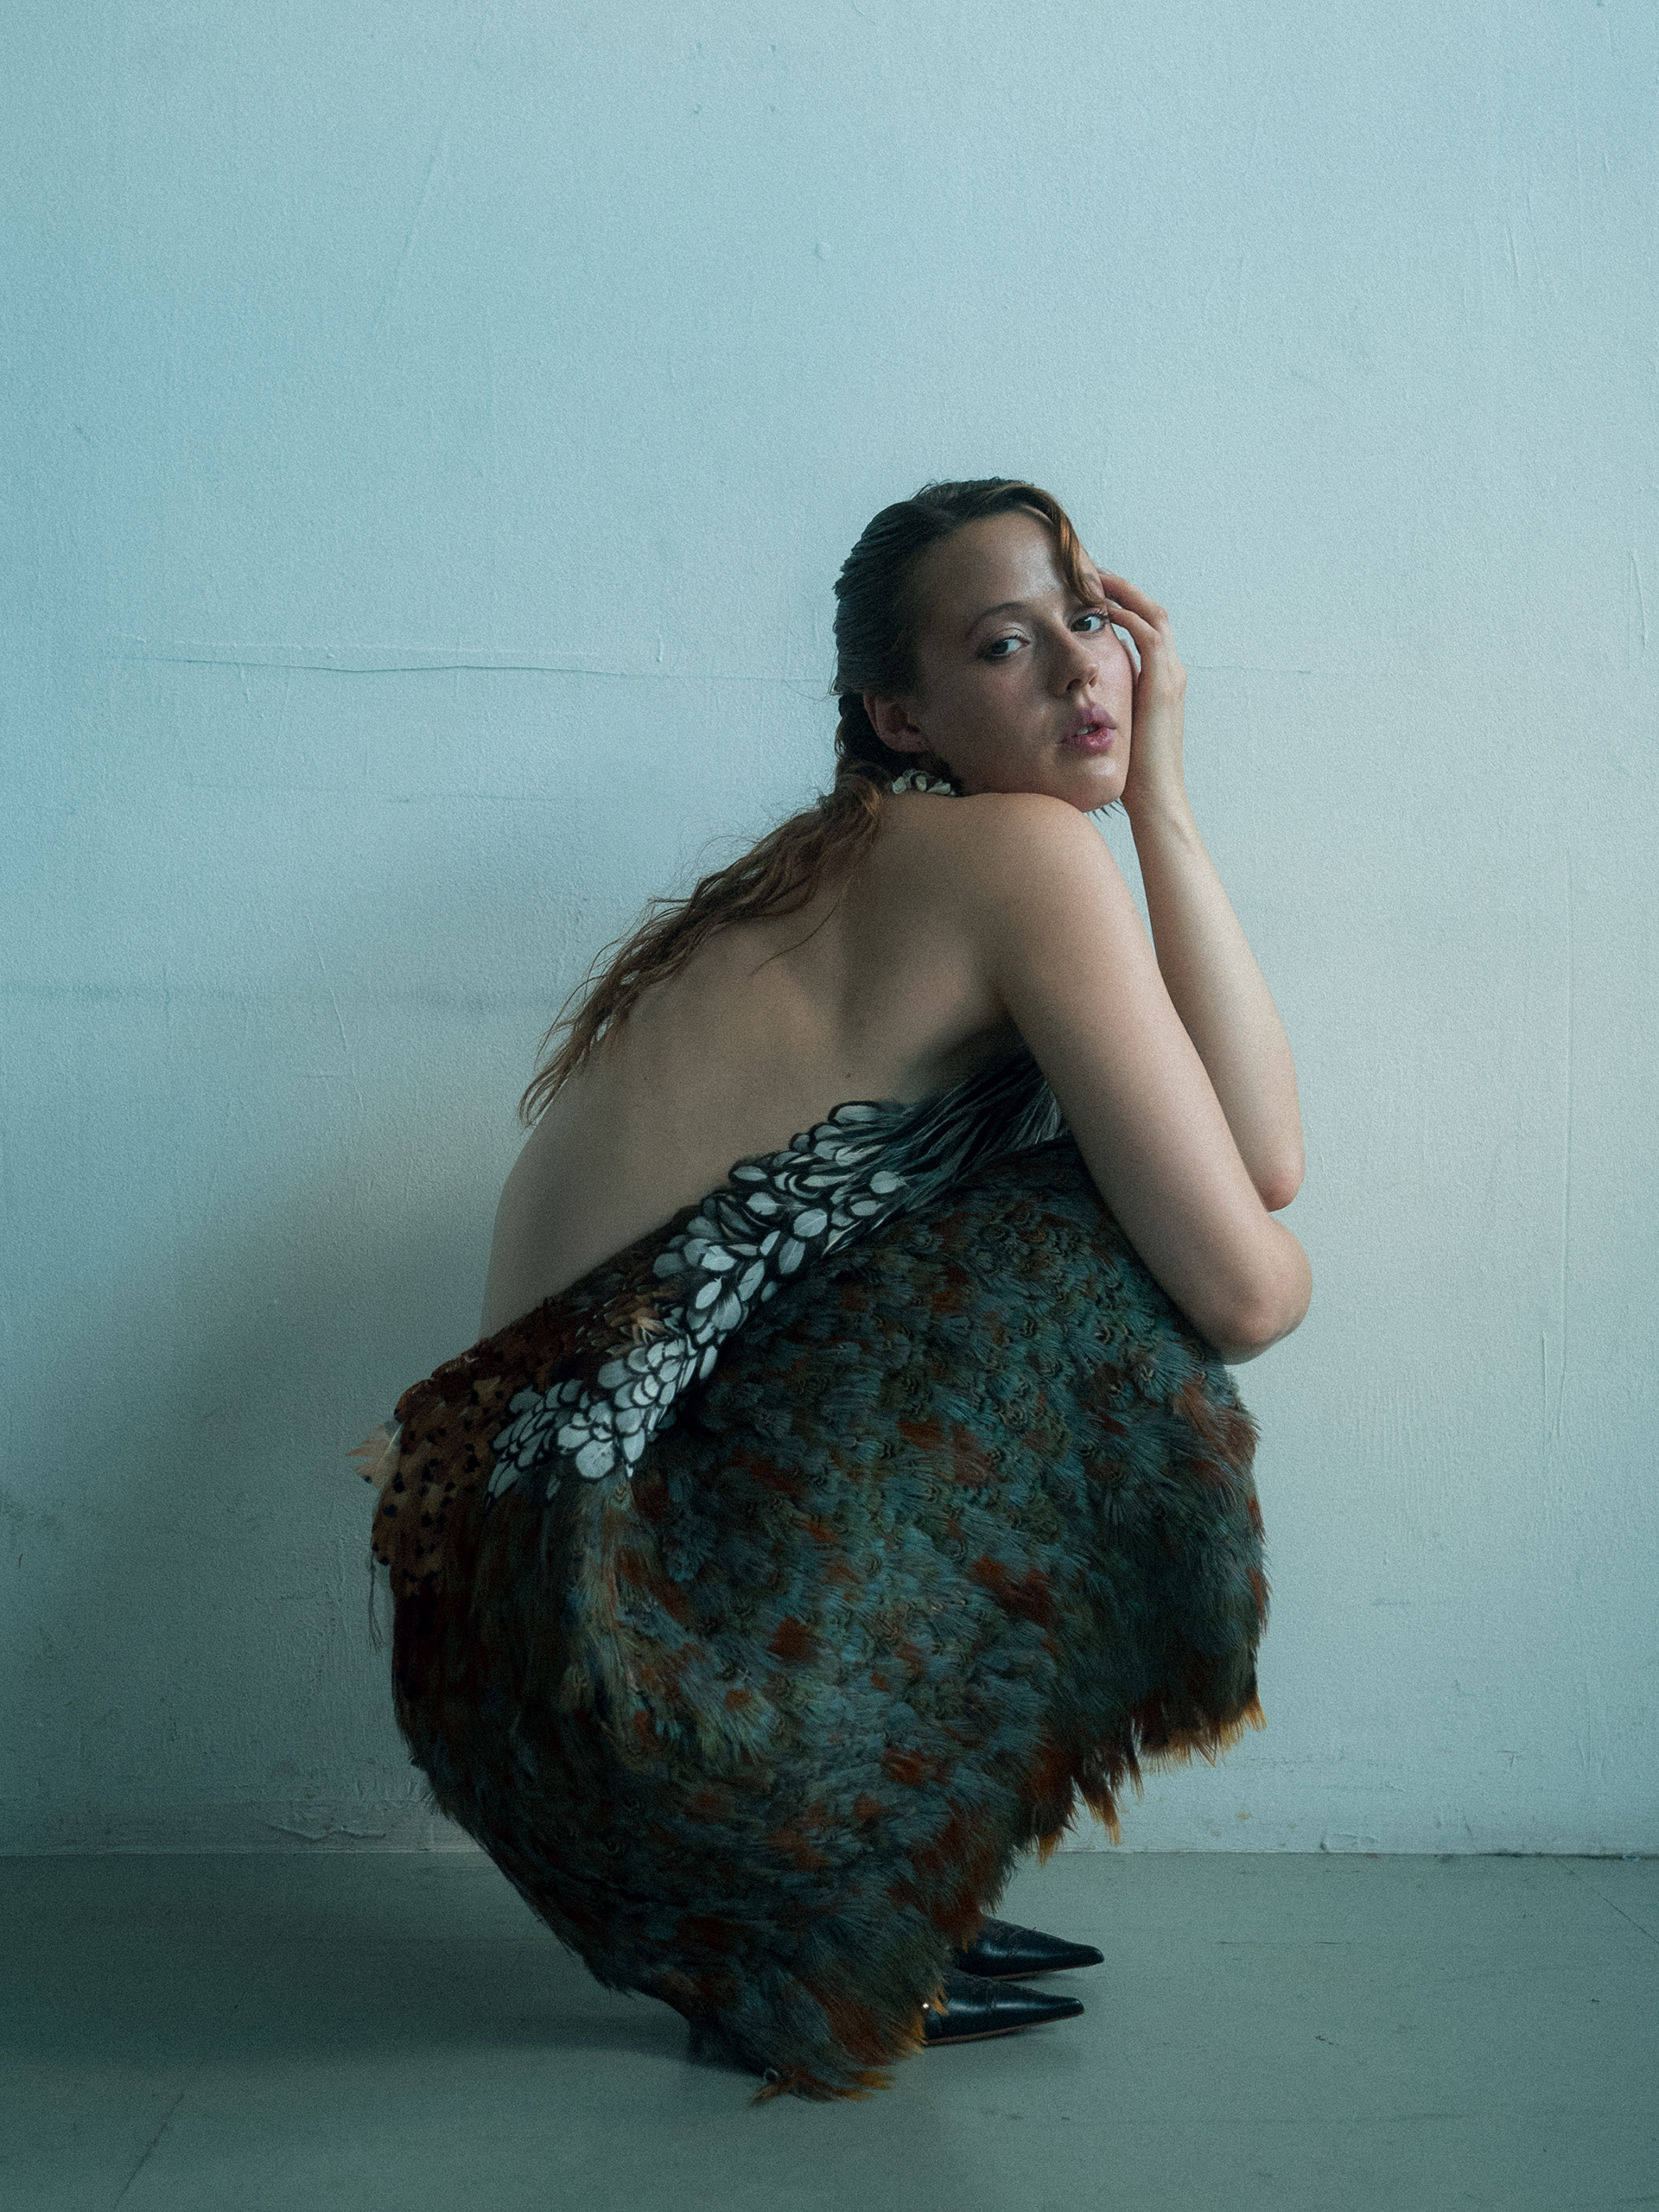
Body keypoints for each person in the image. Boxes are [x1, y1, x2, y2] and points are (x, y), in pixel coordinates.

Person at [354, 478, 1311, 2100]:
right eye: (1006, 644)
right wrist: (1140, 820)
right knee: (1080, 1247)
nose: (1081, 668)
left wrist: (1159, 796)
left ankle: (871, 1869)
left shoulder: (893, 858)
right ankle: (829, 1881)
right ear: (899, 715)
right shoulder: (1009, 857)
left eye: (1089, 620)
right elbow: (1250, 1285)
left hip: (522, 1654)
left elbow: (1255, 1156)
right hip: (621, 1650)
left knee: (1067, 1215)